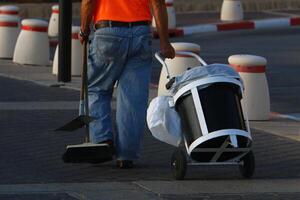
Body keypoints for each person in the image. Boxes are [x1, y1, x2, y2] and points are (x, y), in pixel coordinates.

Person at [79, 0, 175, 168]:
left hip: (107, 33)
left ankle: (101, 140)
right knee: (133, 98)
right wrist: (165, 42)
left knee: (96, 89)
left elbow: (88, 2)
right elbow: (158, 4)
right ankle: (126, 155)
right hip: (141, 33)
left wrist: (84, 29)